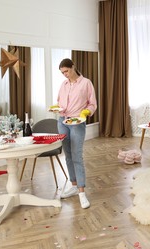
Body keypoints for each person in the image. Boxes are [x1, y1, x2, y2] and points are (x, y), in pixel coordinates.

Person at [57, 58, 97, 209]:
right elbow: (60, 103)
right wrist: (57, 108)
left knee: (77, 155)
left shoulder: (86, 83)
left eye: (66, 71)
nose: (65, 75)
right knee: (67, 155)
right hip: (62, 121)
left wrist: (87, 112)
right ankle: (73, 185)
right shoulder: (63, 84)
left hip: (77, 123)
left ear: (73, 67)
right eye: (62, 73)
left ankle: (81, 192)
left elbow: (92, 103)